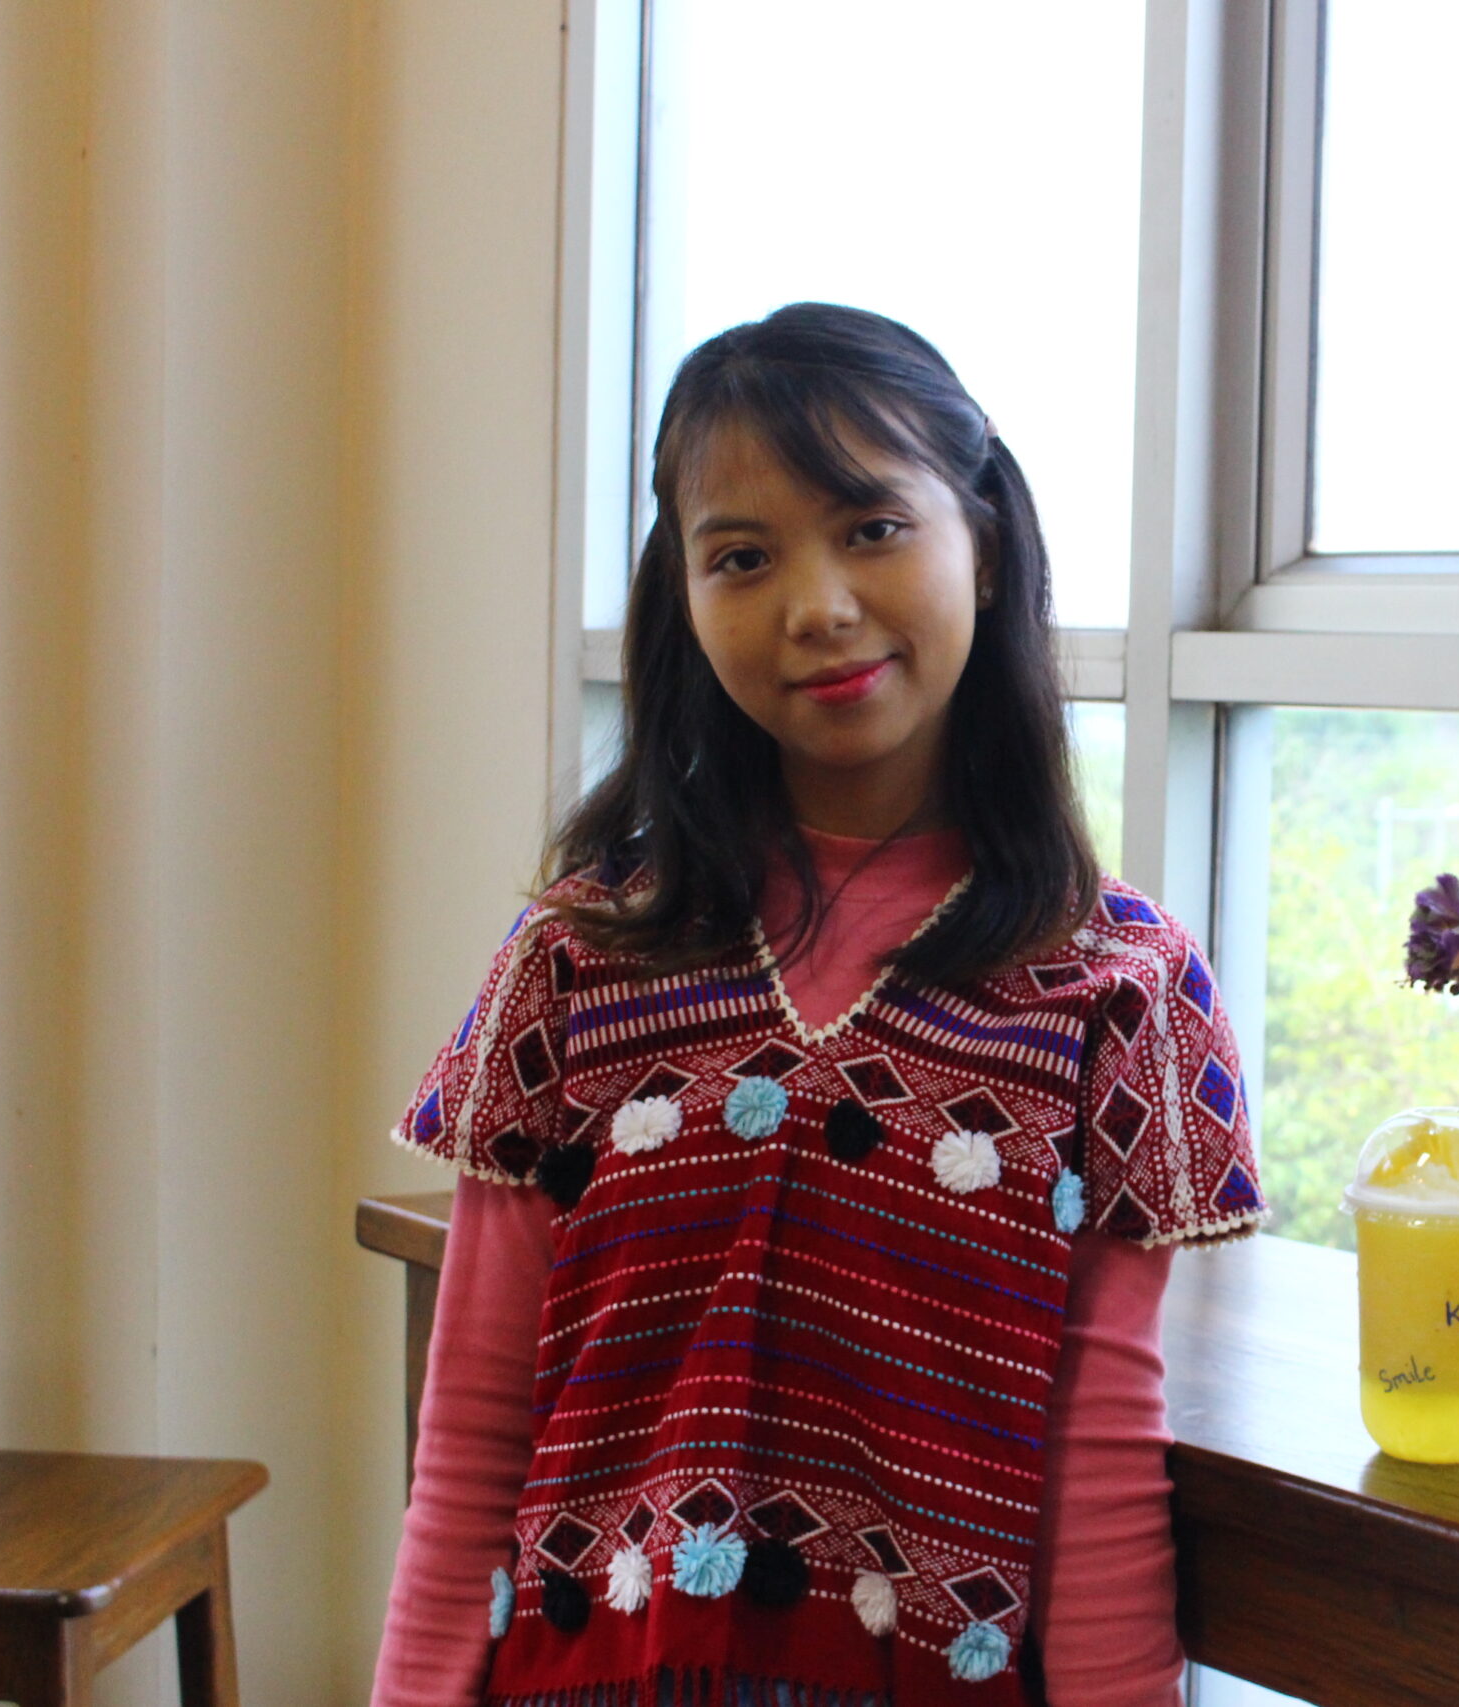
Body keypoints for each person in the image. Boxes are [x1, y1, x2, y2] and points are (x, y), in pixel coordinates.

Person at [371, 303, 1266, 1707]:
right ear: (684, 595)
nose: (818, 606)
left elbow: (1096, 1473)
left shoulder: (1120, 985)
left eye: (872, 528)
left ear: (984, 539)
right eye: (742, 556)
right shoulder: (577, 955)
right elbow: (476, 1434)